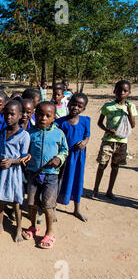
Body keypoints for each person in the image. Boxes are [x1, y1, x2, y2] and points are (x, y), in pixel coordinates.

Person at [22, 102, 68, 249]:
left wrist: (59, 158)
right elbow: (25, 150)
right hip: (33, 173)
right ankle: (33, 226)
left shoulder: (58, 133)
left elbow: (64, 150)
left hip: (51, 175)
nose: (43, 118)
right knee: (32, 203)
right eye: (40, 115)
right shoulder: (30, 133)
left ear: (54, 117)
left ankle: (49, 233)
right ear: (35, 115)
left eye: (48, 116)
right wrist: (26, 156)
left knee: (48, 205)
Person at [0, 100, 30, 242]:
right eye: (6, 113)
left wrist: (12, 161)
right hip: (1, 171)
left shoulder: (24, 135)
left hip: (14, 172)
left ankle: (18, 229)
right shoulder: (3, 132)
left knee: (16, 201)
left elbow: (25, 157)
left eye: (12, 114)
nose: (8, 117)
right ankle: (0, 226)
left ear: (20, 116)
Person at [92, 80, 136, 199]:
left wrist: (129, 111)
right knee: (102, 165)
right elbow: (99, 122)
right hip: (108, 140)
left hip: (122, 142)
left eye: (125, 91)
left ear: (129, 93)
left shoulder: (131, 106)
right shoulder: (108, 106)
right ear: (114, 91)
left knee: (115, 166)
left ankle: (109, 191)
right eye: (119, 90)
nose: (122, 92)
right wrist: (107, 129)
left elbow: (132, 125)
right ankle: (95, 189)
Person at [55, 93, 90, 222]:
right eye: (73, 104)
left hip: (78, 158)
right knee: (59, 181)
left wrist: (85, 142)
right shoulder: (60, 122)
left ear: (83, 109)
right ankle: (53, 208)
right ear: (68, 104)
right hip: (64, 158)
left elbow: (87, 135)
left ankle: (77, 209)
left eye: (79, 106)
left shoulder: (85, 121)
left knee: (77, 181)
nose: (75, 107)